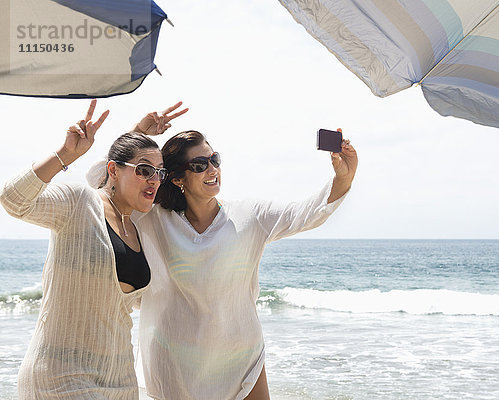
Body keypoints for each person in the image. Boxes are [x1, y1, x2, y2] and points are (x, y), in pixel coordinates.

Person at [132, 127, 358, 400]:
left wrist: (343, 177)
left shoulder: (249, 216)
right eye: (200, 165)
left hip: (240, 358)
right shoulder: (153, 220)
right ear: (178, 178)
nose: (212, 170)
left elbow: (307, 213)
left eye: (214, 160)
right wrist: (138, 134)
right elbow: (107, 192)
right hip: (176, 366)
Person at [0, 100, 186, 399]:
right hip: (59, 380)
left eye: (159, 173)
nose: (154, 180)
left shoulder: (138, 225)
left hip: (120, 382)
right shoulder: (78, 203)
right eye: (144, 171)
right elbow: (13, 199)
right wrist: (66, 154)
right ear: (113, 169)